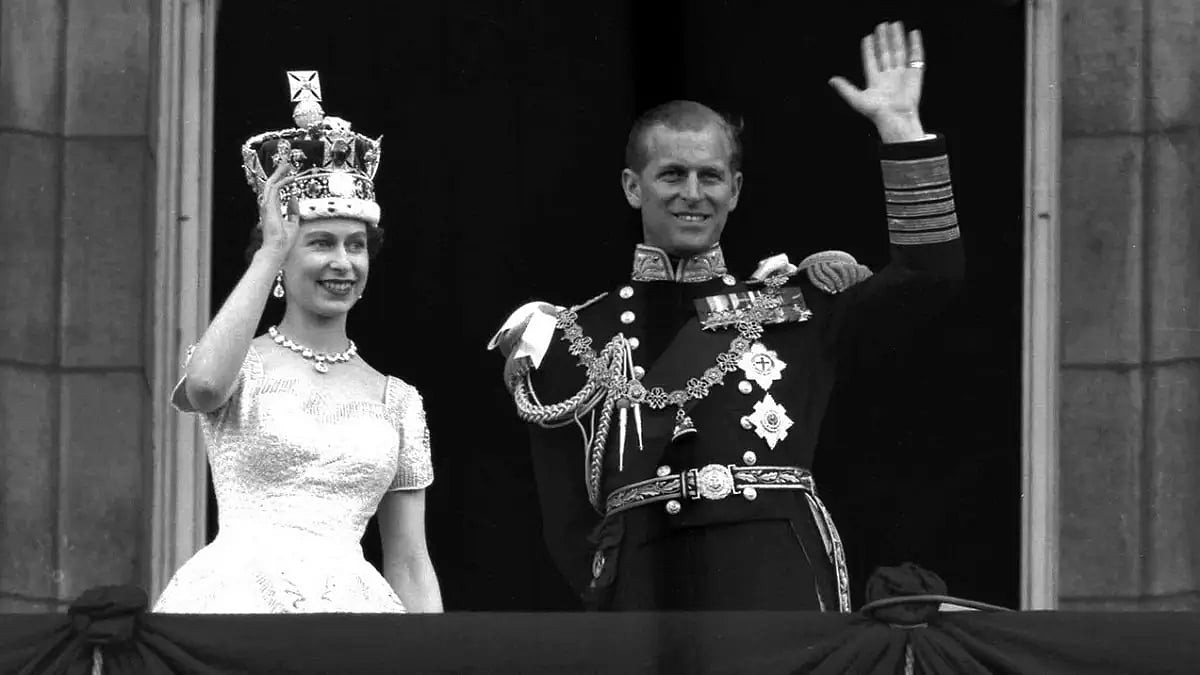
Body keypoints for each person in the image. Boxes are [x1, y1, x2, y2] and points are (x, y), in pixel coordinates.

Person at [490, 22, 963, 611]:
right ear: (633, 187)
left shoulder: (797, 305)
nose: (693, 192)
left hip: (773, 580)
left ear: (735, 189)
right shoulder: (570, 336)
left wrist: (901, 130)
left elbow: (930, 278)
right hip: (644, 590)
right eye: (672, 175)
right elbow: (565, 519)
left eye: (710, 176)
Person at [154, 72, 442, 614]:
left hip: (353, 613)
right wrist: (270, 250)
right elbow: (206, 385)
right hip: (235, 604)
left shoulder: (398, 401)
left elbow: (408, 560)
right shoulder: (240, 363)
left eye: (356, 245)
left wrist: (436, 659)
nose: (343, 262)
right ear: (283, 257)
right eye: (320, 244)